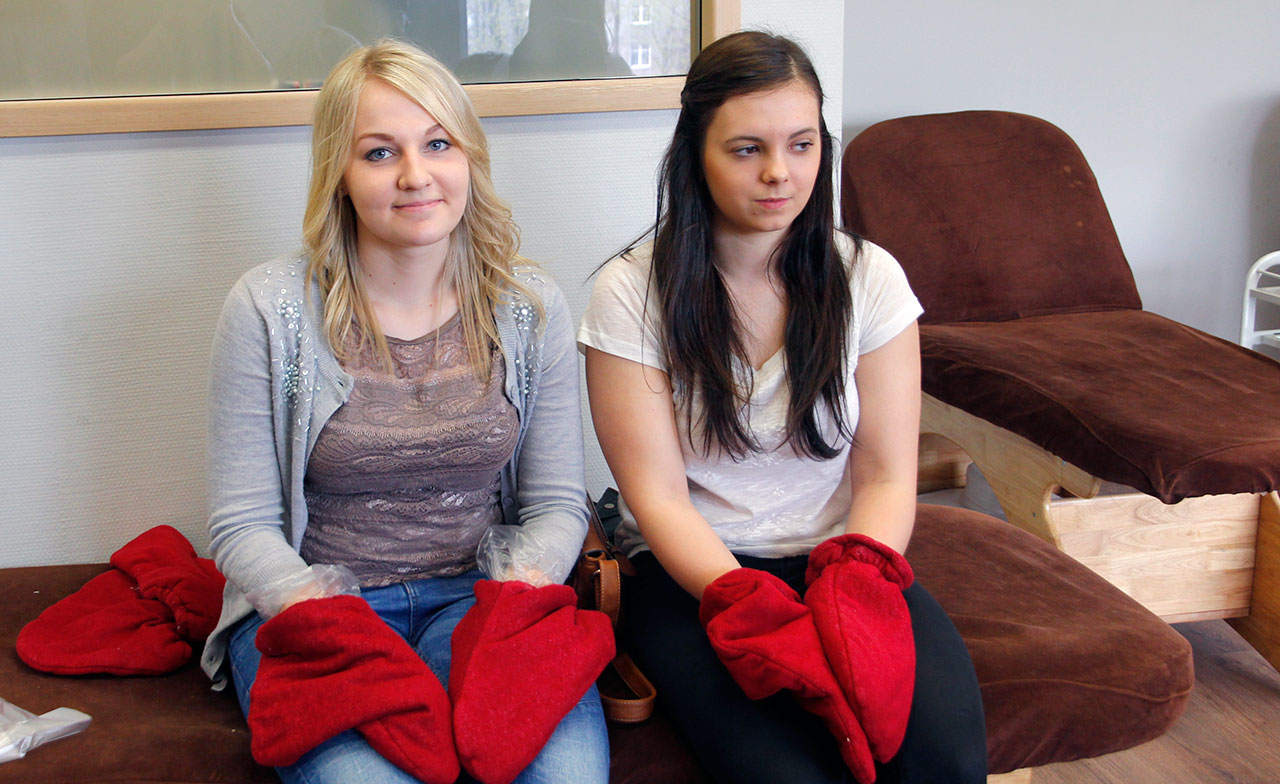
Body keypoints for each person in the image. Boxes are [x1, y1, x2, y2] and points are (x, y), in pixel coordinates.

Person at [578, 31, 987, 784]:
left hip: (844, 561)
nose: (780, 173)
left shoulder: (869, 278)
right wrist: (746, 598)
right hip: (699, 576)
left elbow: (888, 475)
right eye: (747, 150)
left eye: (802, 145)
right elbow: (659, 499)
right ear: (695, 153)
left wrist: (856, 582)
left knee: (945, 760)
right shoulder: (629, 293)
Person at [201, 39, 611, 784]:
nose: (416, 174)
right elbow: (242, 524)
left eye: (438, 144)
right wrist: (316, 609)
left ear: (469, 157)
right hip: (320, 617)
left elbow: (556, 503)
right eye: (380, 152)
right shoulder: (267, 308)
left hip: (481, 602)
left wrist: (516, 599)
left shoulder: (530, 307)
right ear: (339, 173)